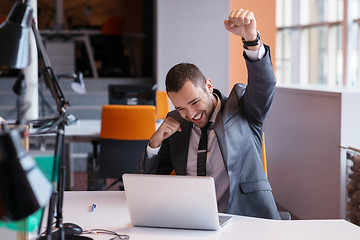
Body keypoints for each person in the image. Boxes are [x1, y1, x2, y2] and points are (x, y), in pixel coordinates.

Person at [137, 8, 280, 219]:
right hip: (194, 221)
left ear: (208, 85)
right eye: (181, 108)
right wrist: (154, 145)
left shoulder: (241, 107)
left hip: (246, 219)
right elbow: (145, 187)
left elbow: (264, 85)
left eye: (195, 102)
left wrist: (251, 39)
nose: (191, 114)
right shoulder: (175, 124)